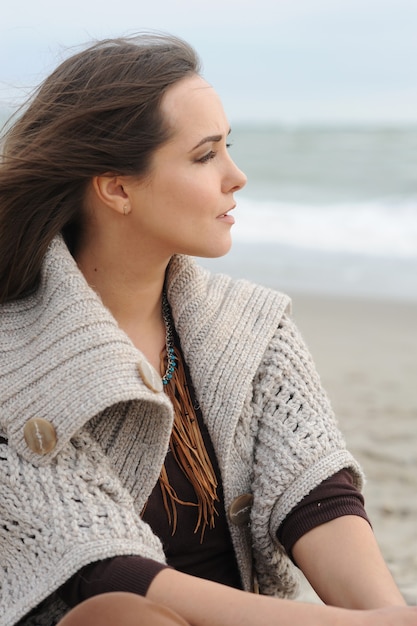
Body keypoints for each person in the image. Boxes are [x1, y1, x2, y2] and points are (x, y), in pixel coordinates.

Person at [0, 33, 415, 626]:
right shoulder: (12, 361)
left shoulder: (252, 327)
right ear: (117, 188)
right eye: (205, 155)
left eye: (230, 147)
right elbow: (109, 572)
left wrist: (388, 614)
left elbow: (320, 500)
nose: (237, 176)